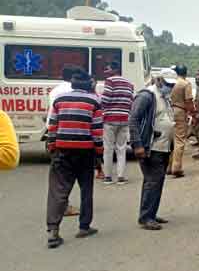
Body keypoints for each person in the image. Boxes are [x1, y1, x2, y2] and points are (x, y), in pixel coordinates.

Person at [45, 70, 103, 249]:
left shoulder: (59, 100)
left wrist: (52, 147)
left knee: (58, 192)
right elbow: (97, 133)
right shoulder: (95, 102)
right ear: (88, 84)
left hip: (62, 152)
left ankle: (53, 231)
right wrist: (99, 155)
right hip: (85, 153)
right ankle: (84, 227)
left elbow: (52, 127)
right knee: (86, 189)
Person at [129, 71, 175, 230]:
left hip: (163, 147)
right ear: (159, 80)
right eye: (168, 84)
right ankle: (146, 217)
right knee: (153, 181)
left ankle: (150, 213)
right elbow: (133, 119)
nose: (170, 87)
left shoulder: (164, 97)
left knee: (156, 181)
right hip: (151, 147)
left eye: (172, 85)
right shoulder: (147, 96)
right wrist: (137, 144)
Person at [46, 66, 81, 215]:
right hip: (68, 135)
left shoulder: (55, 90)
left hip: (53, 133)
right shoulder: (71, 91)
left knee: (58, 176)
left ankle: (58, 207)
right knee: (68, 177)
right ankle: (64, 207)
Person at [99, 61, 134, 184]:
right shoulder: (130, 84)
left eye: (107, 69)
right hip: (124, 119)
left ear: (114, 70)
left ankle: (108, 177)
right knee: (121, 148)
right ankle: (120, 177)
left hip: (110, 119)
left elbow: (105, 99)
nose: (105, 72)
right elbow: (131, 102)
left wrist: (100, 103)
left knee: (108, 149)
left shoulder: (110, 81)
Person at [167, 64, 194, 178]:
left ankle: (169, 167)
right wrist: (192, 113)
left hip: (169, 111)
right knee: (179, 140)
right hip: (180, 111)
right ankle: (176, 168)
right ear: (186, 73)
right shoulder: (185, 84)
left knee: (170, 140)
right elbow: (188, 101)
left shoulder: (170, 82)